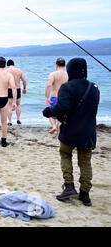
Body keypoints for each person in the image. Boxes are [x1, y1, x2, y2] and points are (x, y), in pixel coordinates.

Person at [42, 58, 100, 206]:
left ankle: (69, 187)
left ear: (70, 70)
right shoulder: (94, 88)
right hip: (88, 132)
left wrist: (49, 111)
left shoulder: (67, 87)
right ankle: (85, 194)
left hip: (70, 132)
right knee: (85, 162)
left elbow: (63, 108)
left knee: (65, 155)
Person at [45, 58, 69, 134]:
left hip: (54, 97)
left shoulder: (53, 74)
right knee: (62, 114)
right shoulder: (68, 74)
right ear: (65, 65)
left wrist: (46, 97)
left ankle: (54, 126)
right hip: (64, 98)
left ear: (56, 64)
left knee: (50, 113)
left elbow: (49, 85)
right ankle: (59, 126)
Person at [6, 60, 27, 126]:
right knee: (18, 104)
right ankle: (18, 119)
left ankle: (9, 121)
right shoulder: (19, 71)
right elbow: (24, 80)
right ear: (13, 64)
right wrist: (24, 88)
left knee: (9, 105)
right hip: (17, 89)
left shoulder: (6, 71)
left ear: (7, 65)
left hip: (9, 89)